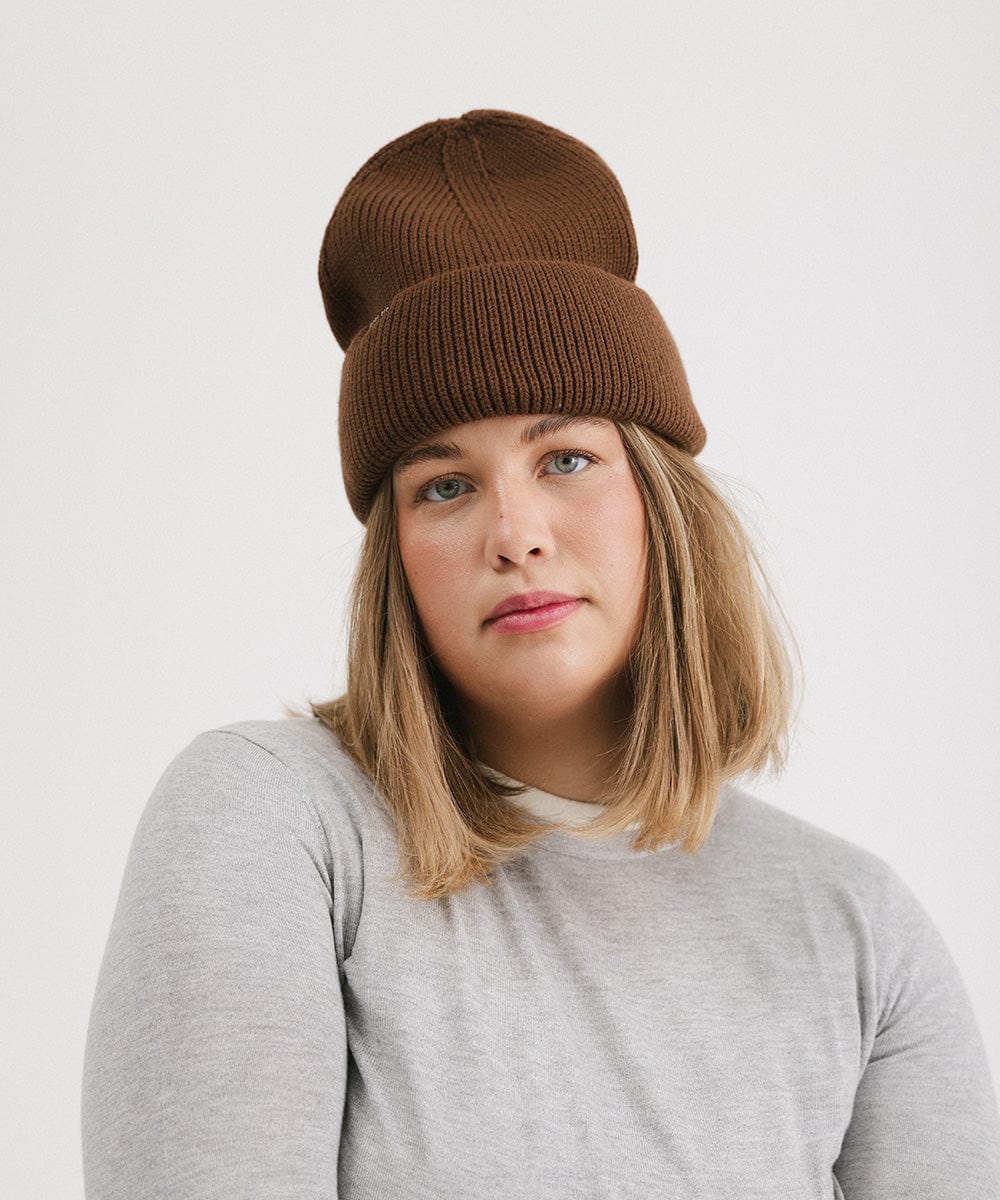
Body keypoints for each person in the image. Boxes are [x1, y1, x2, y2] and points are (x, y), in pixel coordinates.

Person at [80, 109, 1000, 1199]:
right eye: (445, 485)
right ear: (396, 563)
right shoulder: (276, 826)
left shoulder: (855, 927)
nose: (513, 532)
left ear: (663, 505)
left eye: (564, 458)